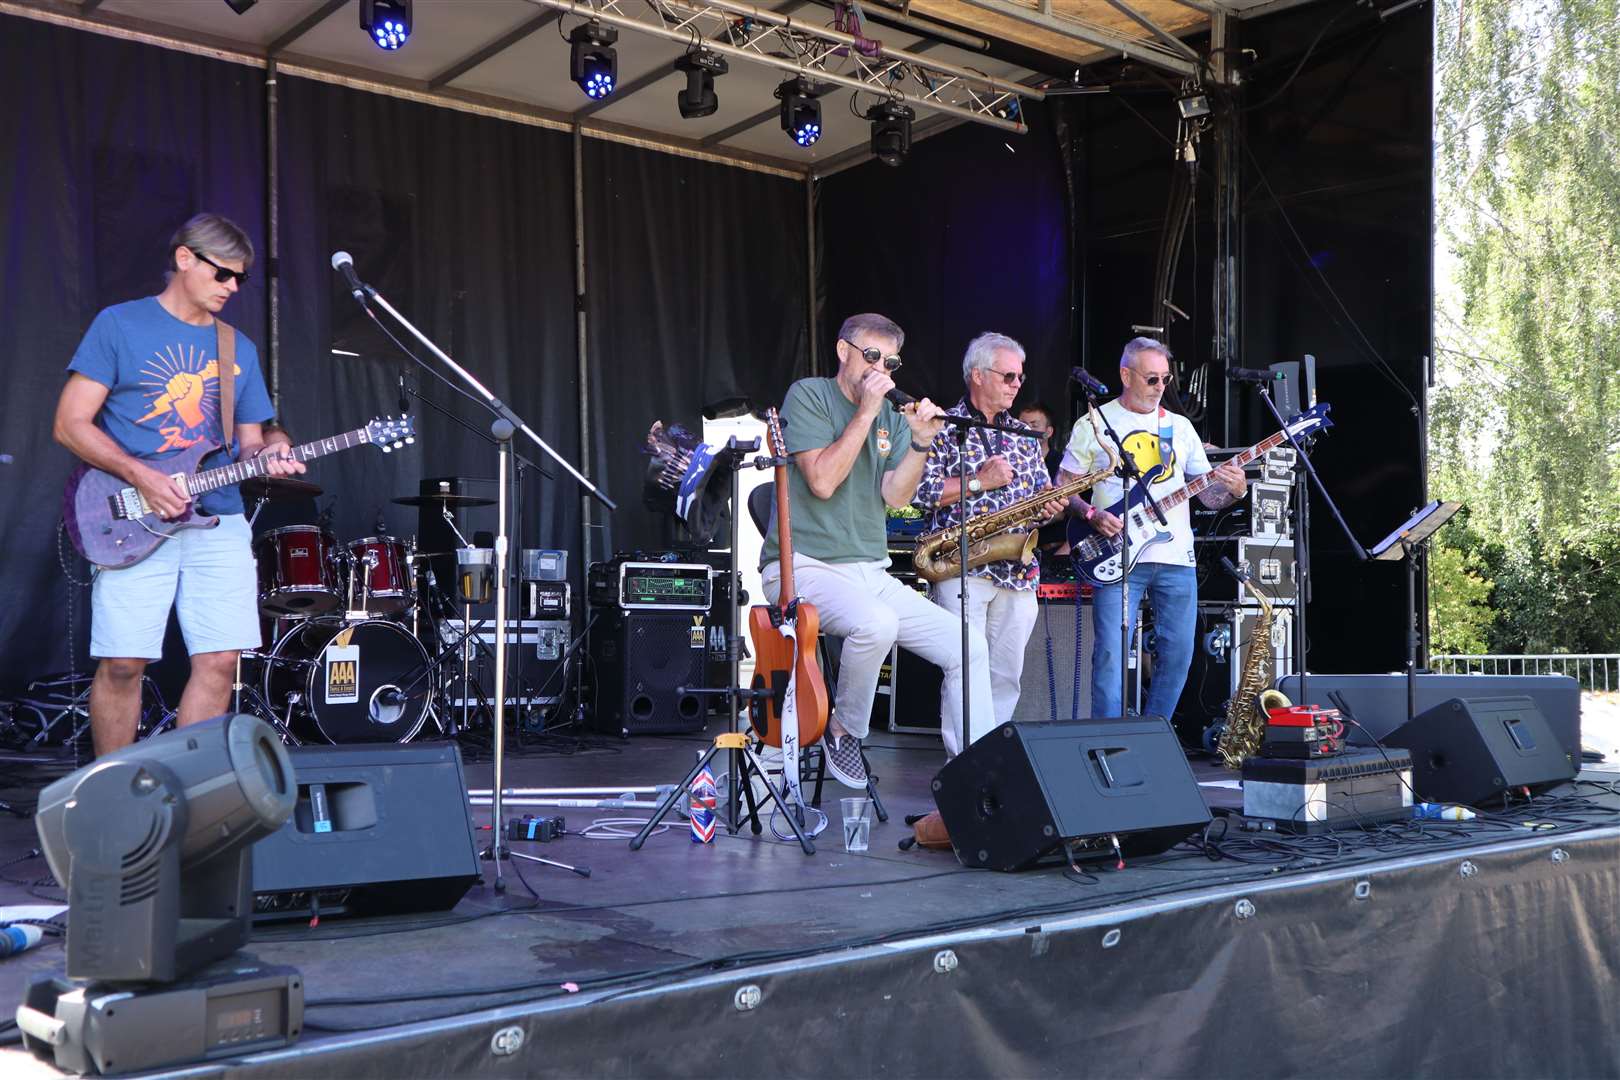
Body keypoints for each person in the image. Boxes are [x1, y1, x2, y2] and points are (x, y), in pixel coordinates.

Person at [52, 213, 304, 755]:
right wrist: (142, 475)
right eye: (224, 275)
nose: (233, 288)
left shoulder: (238, 348)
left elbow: (250, 442)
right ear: (185, 258)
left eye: (240, 279)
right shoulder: (119, 325)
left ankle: (189, 794)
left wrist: (272, 453)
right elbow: (69, 423)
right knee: (123, 662)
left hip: (219, 518)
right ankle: (114, 793)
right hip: (134, 514)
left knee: (219, 660)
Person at [760, 313, 993, 787]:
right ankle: (844, 729)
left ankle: (977, 772)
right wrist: (866, 411)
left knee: (967, 645)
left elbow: (896, 497)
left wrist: (921, 446)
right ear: (843, 351)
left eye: (889, 361)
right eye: (870, 356)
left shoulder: (891, 415)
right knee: (876, 624)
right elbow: (822, 482)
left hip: (868, 571)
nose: (879, 369)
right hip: (802, 566)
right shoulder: (810, 395)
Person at [1057, 337, 1245, 720]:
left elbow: (1207, 498)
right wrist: (1092, 515)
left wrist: (1234, 492)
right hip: (1116, 550)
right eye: (1151, 379)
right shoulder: (1093, 423)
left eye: (1165, 379)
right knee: (1111, 652)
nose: (1160, 387)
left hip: (1176, 557)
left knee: (1178, 654)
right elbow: (1063, 488)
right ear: (1126, 375)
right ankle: (1105, 741)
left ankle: (1154, 732)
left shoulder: (1178, 427)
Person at [914, 333, 1067, 731]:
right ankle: (965, 763)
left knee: (1006, 674)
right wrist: (979, 482)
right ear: (978, 375)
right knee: (965, 668)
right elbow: (920, 493)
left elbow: (1039, 498)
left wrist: (1048, 508)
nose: (1018, 385)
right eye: (1009, 376)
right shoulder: (941, 427)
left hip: (1018, 569)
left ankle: (993, 760)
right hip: (962, 565)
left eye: (1020, 377)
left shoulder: (1025, 435)